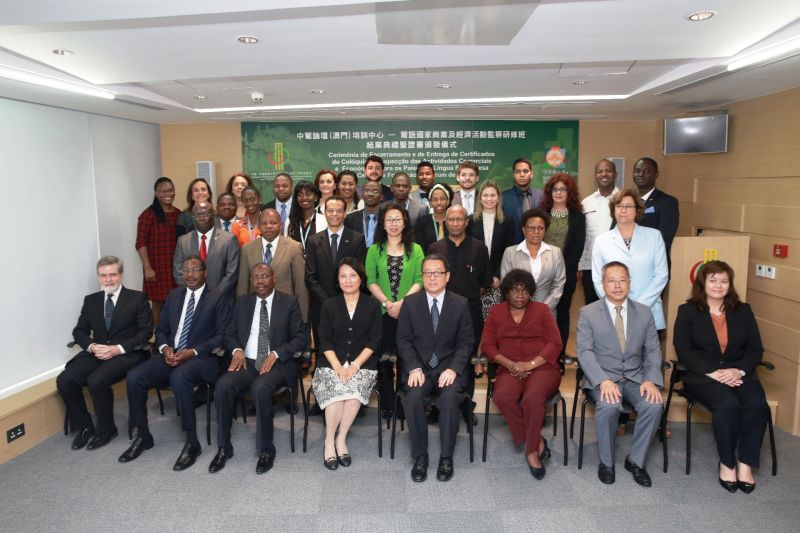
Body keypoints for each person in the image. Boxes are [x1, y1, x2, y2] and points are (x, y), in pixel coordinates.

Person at [120, 256, 229, 469]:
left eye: (195, 269)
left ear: (205, 273)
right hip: (172, 355)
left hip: (202, 359)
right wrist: (164, 348)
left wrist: (193, 352)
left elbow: (222, 335)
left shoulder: (217, 297)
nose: (189, 274)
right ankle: (143, 436)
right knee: (135, 377)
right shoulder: (174, 295)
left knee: (180, 377)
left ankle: (192, 442)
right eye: (185, 270)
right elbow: (162, 330)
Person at [673, 261, 769, 494]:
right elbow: (683, 349)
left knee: (757, 405)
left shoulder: (743, 310)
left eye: (724, 281)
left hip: (739, 374)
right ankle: (727, 463)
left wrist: (739, 371)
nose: (718, 285)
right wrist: (713, 372)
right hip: (703, 376)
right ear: (702, 283)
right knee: (728, 405)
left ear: (730, 284)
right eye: (713, 280)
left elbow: (755, 349)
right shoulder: (687, 311)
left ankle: (745, 464)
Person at [209, 263, 307, 474]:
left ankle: (266, 449)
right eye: (255, 277)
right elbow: (230, 333)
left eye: (264, 276)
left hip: (277, 364)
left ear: (274, 278)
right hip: (248, 361)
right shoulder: (243, 302)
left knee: (260, 388)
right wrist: (236, 350)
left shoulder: (288, 302)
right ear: (251, 281)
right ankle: (224, 447)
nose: (260, 281)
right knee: (223, 385)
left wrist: (276, 353)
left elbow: (300, 338)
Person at [576, 261, 664, 487]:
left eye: (622, 280)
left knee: (654, 406)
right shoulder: (588, 312)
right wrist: (602, 380)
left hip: (636, 377)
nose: (617, 285)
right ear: (602, 284)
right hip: (603, 378)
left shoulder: (644, 313)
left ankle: (636, 461)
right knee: (609, 406)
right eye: (611, 280)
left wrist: (651, 380)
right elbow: (584, 351)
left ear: (629, 283)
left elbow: (653, 350)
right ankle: (606, 463)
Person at [57, 256, 152, 451]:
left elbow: (145, 333)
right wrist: (92, 346)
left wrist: (117, 349)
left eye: (113, 274)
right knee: (65, 379)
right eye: (103, 275)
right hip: (98, 352)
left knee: (96, 380)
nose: (108, 280)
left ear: (121, 275)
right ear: (98, 277)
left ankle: (106, 430)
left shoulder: (137, 298)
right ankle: (84, 426)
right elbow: (79, 331)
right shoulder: (91, 300)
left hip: (127, 353)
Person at [397, 254, 474, 483]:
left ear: (447, 276)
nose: (432, 277)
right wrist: (412, 368)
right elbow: (403, 340)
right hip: (419, 369)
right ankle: (420, 456)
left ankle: (446, 457)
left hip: (448, 369)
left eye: (437, 272)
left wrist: (453, 369)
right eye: (428, 273)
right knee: (412, 398)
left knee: (450, 399)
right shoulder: (410, 303)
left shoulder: (460, 304)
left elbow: (466, 342)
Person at [481, 269, 562, 479]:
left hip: (542, 367)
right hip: (510, 368)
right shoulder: (496, 313)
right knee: (502, 396)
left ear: (531, 292)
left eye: (525, 290)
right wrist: (511, 365)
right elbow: (488, 346)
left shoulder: (542, 310)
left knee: (533, 398)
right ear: (506, 292)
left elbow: (555, 343)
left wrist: (530, 364)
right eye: (515, 290)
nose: (520, 295)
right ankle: (536, 439)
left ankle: (532, 452)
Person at [312, 258, 382, 470]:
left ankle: (341, 439)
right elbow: (324, 339)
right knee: (335, 394)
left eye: (353, 275)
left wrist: (354, 366)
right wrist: (338, 367)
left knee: (352, 395)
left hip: (362, 363)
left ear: (361, 278)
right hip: (331, 362)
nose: (348, 280)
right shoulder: (329, 305)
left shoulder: (372, 305)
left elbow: (374, 339)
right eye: (343, 276)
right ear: (337, 280)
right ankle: (328, 442)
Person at [429, 205, 491, 422]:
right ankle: (438, 406)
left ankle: (466, 405)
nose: (455, 223)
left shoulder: (479, 248)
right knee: (440, 358)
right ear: (445, 222)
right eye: (451, 219)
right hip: (439, 314)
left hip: (470, 314)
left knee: (467, 359)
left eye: (459, 219)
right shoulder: (435, 248)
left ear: (467, 222)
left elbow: (484, 283)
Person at [365, 204, 424, 419]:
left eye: (397, 219)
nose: (393, 224)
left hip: (408, 314)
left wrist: (402, 303)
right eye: (389, 220)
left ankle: (404, 404)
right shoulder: (375, 249)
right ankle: (387, 404)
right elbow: (370, 280)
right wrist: (387, 302)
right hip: (383, 314)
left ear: (405, 222)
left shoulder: (415, 249)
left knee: (406, 359)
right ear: (383, 223)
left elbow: (419, 280)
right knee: (384, 361)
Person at [591, 190, 668, 331]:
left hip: (648, 308)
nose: (623, 210)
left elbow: (661, 274)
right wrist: (617, 305)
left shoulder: (654, 236)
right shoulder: (601, 241)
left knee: (649, 352)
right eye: (619, 206)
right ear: (613, 210)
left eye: (629, 206)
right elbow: (597, 279)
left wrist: (640, 306)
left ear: (637, 210)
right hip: (615, 311)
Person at [305, 196, 367, 345]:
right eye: (330, 210)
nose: (334, 214)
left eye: (339, 211)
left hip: (349, 303)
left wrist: (341, 299)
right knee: (323, 345)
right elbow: (310, 276)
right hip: (321, 305)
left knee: (346, 345)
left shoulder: (357, 239)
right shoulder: (314, 240)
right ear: (324, 213)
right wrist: (328, 301)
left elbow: (359, 273)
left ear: (345, 213)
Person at [541, 173, 585, 365]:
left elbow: (577, 247)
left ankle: (557, 358)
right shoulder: (541, 213)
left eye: (563, 189)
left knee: (562, 315)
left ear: (570, 192)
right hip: (540, 274)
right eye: (555, 189)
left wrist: (560, 272)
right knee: (541, 314)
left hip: (566, 274)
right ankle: (541, 356)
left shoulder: (577, 217)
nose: (559, 193)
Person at [237, 209, 309, 323]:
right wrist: (240, 316)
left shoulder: (294, 248)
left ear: (280, 225)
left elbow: (300, 286)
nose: (268, 226)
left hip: (286, 312)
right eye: (264, 223)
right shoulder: (247, 249)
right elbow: (242, 285)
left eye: (273, 223)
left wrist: (303, 319)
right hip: (255, 311)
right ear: (259, 226)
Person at [500, 208, 566, 315]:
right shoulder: (510, 252)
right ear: (523, 229)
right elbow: (506, 283)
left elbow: (559, 284)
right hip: (517, 311)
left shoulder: (555, 252)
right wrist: (521, 305)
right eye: (531, 228)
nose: (536, 232)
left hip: (547, 311)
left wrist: (543, 308)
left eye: (541, 228)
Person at [136, 177, 180, 327]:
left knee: (176, 303)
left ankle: (174, 337)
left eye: (170, 190)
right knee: (158, 306)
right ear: (156, 193)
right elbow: (140, 243)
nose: (168, 194)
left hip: (175, 268)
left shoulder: (179, 214)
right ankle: (157, 338)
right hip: (156, 269)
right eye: (163, 191)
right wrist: (148, 268)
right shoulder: (148, 215)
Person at [173, 202, 240, 298]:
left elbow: (232, 273)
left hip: (221, 299)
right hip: (192, 299)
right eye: (197, 215)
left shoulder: (229, 239)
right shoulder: (183, 241)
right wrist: (194, 293)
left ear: (213, 215)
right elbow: (178, 272)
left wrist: (214, 295)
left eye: (205, 214)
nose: (201, 218)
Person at [468, 180, 515, 318]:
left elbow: (509, 250)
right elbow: (470, 252)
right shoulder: (471, 220)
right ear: (480, 198)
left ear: (499, 198)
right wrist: (480, 278)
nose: (489, 199)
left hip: (498, 280)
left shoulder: (507, 220)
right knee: (476, 319)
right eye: (485, 195)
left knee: (496, 320)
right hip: (476, 280)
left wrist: (497, 275)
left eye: (493, 195)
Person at [579, 159, 618, 304]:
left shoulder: (623, 200)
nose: (604, 174)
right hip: (590, 266)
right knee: (592, 306)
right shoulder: (586, 203)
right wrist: (580, 265)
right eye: (600, 171)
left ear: (615, 174)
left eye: (608, 170)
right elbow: (583, 237)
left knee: (615, 304)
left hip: (617, 264)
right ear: (595, 175)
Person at [632, 157, 679, 258]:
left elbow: (664, 239)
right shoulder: (625, 200)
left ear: (656, 174)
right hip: (624, 263)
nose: (640, 174)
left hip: (653, 263)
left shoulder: (667, 202)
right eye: (637, 171)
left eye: (647, 171)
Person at [502, 158, 544, 243]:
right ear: (513, 175)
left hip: (537, 248)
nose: (522, 175)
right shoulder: (503, 197)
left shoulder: (542, 196)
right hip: (511, 249)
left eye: (525, 171)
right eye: (518, 172)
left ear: (531, 174)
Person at [287, 180, 327, 251]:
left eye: (308, 194)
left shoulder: (324, 220)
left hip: (316, 261)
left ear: (316, 197)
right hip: (295, 261)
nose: (304, 198)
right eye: (300, 195)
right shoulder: (290, 220)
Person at [414, 183, 453, 253]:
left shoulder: (454, 222)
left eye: (442, 199)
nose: (439, 202)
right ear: (430, 203)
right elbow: (419, 248)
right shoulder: (422, 222)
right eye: (435, 199)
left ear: (448, 201)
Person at [344, 179, 384, 247]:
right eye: (367, 190)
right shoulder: (350, 219)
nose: (370, 194)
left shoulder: (387, 218)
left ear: (381, 197)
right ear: (362, 195)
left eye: (375, 191)